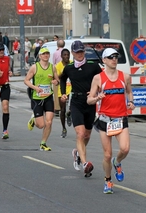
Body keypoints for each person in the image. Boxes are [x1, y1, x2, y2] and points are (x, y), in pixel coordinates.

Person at [87, 48, 134, 194]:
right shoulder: (98, 78)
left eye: (116, 56)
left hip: (121, 118)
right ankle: (108, 180)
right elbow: (89, 100)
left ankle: (117, 162)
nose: (114, 59)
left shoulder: (125, 77)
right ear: (104, 60)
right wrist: (96, 98)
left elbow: (129, 92)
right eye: (111, 57)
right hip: (105, 119)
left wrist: (131, 102)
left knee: (125, 149)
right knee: (107, 154)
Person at [60, 40, 102, 177]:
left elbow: (102, 79)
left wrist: (97, 92)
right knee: (80, 133)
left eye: (82, 51)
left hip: (90, 102)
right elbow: (62, 79)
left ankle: (77, 152)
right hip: (76, 102)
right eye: (77, 52)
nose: (80, 54)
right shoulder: (69, 68)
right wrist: (63, 94)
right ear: (73, 53)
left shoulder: (93, 66)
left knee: (87, 135)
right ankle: (85, 163)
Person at [25, 47, 60, 151]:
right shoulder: (34, 67)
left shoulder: (52, 67)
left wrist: (55, 82)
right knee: (41, 125)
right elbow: (26, 80)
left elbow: (57, 80)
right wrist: (35, 88)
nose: (46, 55)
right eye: (43, 54)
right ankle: (33, 119)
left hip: (48, 97)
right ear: (39, 56)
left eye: (47, 54)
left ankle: (43, 143)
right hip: (37, 98)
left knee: (49, 122)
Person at [55, 48, 71, 138]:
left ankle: (69, 114)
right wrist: (65, 72)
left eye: (68, 55)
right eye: (64, 55)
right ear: (61, 56)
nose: (66, 56)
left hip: (72, 89)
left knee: (72, 107)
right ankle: (64, 128)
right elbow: (57, 78)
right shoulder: (58, 66)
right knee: (63, 110)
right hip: (62, 90)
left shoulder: (72, 63)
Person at [53, 39, 66, 117]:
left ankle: (57, 108)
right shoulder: (66, 52)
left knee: (56, 91)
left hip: (58, 73)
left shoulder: (55, 53)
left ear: (57, 45)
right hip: (65, 72)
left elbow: (54, 64)